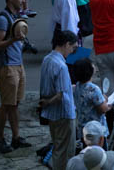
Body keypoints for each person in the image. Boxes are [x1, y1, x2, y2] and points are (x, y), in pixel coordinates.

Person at [0, 0, 30, 154]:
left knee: (15, 104)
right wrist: (13, 39)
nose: (23, 0)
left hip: (18, 65)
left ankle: (15, 137)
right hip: (7, 66)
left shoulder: (15, 16)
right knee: (7, 105)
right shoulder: (2, 19)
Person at [39, 29, 79, 170]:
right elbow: (61, 94)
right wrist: (49, 101)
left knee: (57, 146)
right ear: (67, 44)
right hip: (64, 113)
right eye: (73, 48)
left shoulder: (47, 59)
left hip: (52, 114)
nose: (72, 52)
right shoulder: (61, 66)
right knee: (66, 151)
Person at [73, 58, 109, 131]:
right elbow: (103, 109)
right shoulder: (94, 89)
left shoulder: (77, 86)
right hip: (95, 129)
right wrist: (106, 102)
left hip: (82, 126)